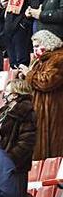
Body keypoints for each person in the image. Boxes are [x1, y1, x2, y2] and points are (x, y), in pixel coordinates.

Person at [0, 79, 37, 197]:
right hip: (1, 164)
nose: (4, 94)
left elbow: (26, 141)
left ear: (15, 94)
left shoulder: (26, 112)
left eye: (7, 91)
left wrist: (10, 159)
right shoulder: (4, 112)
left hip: (16, 167)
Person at [26, 28, 63, 159]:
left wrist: (29, 74)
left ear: (47, 43)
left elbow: (47, 82)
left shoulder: (59, 58)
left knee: (55, 147)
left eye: (37, 46)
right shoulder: (39, 61)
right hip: (40, 110)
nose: (35, 49)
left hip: (54, 109)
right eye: (33, 47)